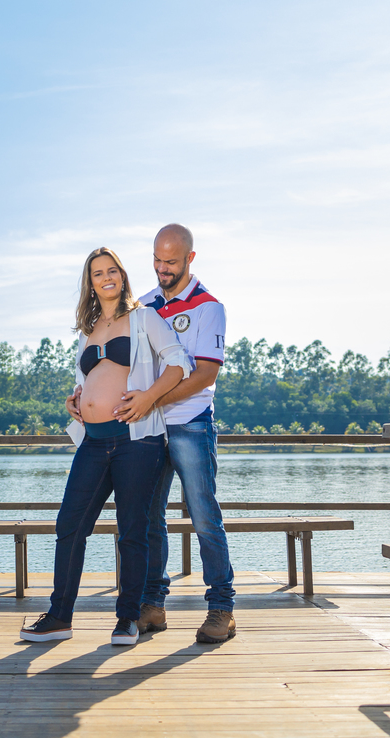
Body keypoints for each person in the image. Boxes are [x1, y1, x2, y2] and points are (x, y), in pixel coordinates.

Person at [69, 224, 236, 644]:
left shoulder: (209, 306)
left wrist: (152, 400)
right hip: (147, 429)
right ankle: (152, 604)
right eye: (157, 261)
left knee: (203, 515)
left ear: (190, 259)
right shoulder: (143, 305)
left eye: (171, 263)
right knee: (147, 519)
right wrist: (84, 394)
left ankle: (221, 608)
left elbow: (205, 373)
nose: (163, 269)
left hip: (191, 423)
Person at [20, 247, 193, 647]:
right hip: (93, 444)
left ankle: (127, 620)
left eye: (112, 270)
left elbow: (178, 362)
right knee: (70, 525)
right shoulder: (88, 329)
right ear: (91, 282)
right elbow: (91, 379)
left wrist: (149, 397)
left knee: (132, 532)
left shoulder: (144, 317)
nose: (106, 277)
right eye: (98, 272)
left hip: (136, 442)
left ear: (122, 275)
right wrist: (76, 399)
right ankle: (59, 617)